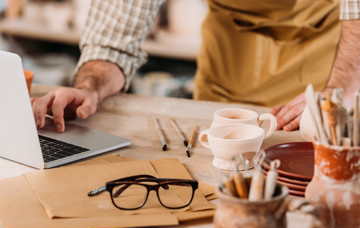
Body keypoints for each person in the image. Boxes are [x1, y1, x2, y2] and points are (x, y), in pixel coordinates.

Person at [32, 0, 360, 133]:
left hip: (329, 68)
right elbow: (117, 33)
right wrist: (89, 87)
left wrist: (337, 93)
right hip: (228, 70)